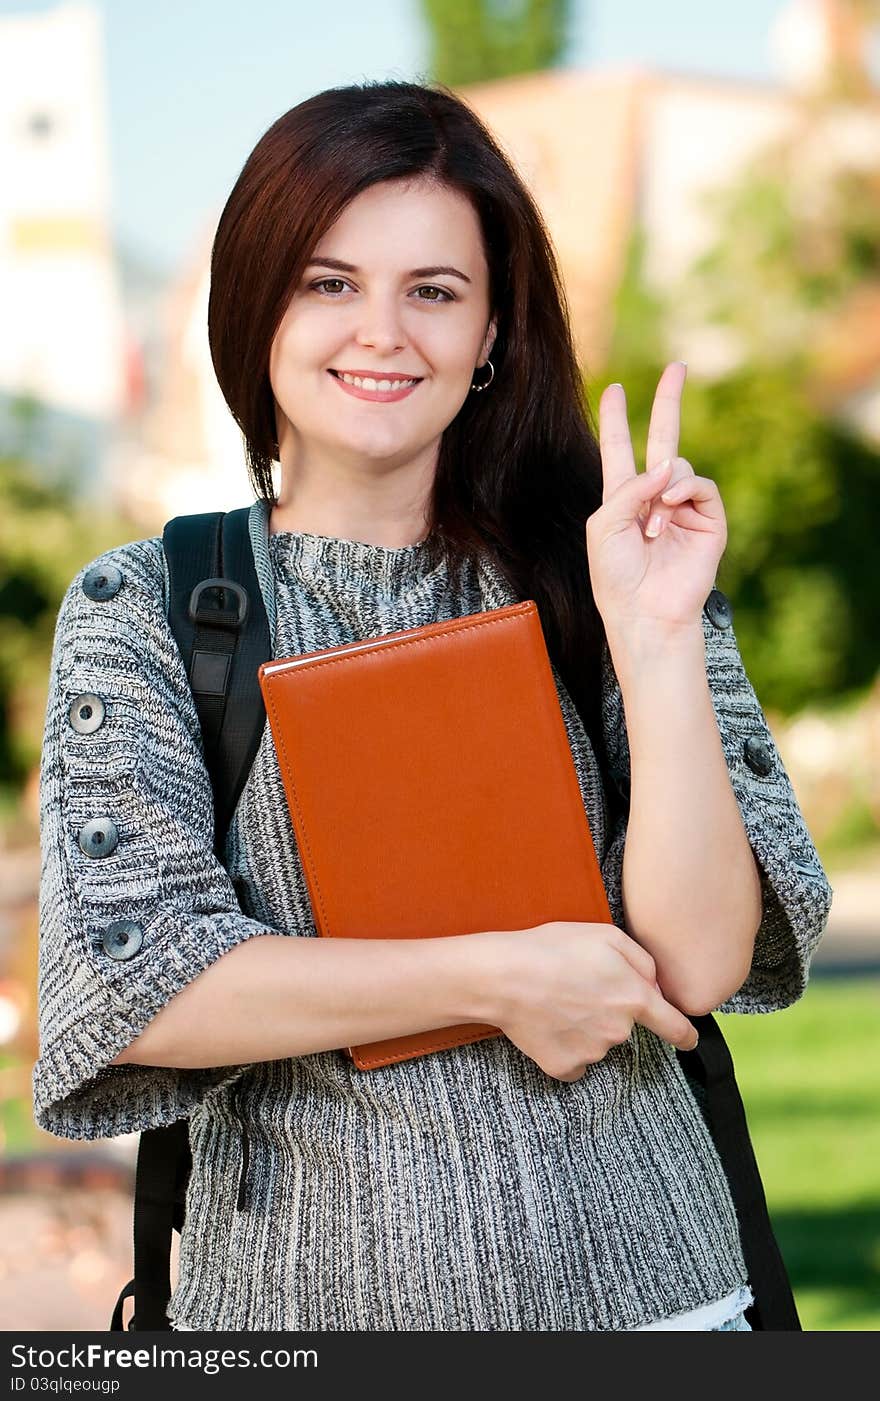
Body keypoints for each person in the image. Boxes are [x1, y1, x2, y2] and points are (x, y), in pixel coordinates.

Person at [32, 79, 833, 1332]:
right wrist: (498, 977)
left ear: (493, 331)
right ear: (256, 308)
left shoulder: (608, 572)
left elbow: (696, 962)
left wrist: (657, 634)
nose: (383, 334)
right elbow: (144, 988)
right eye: (328, 282)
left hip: (662, 1302)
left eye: (434, 291)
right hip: (305, 1314)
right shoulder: (150, 609)